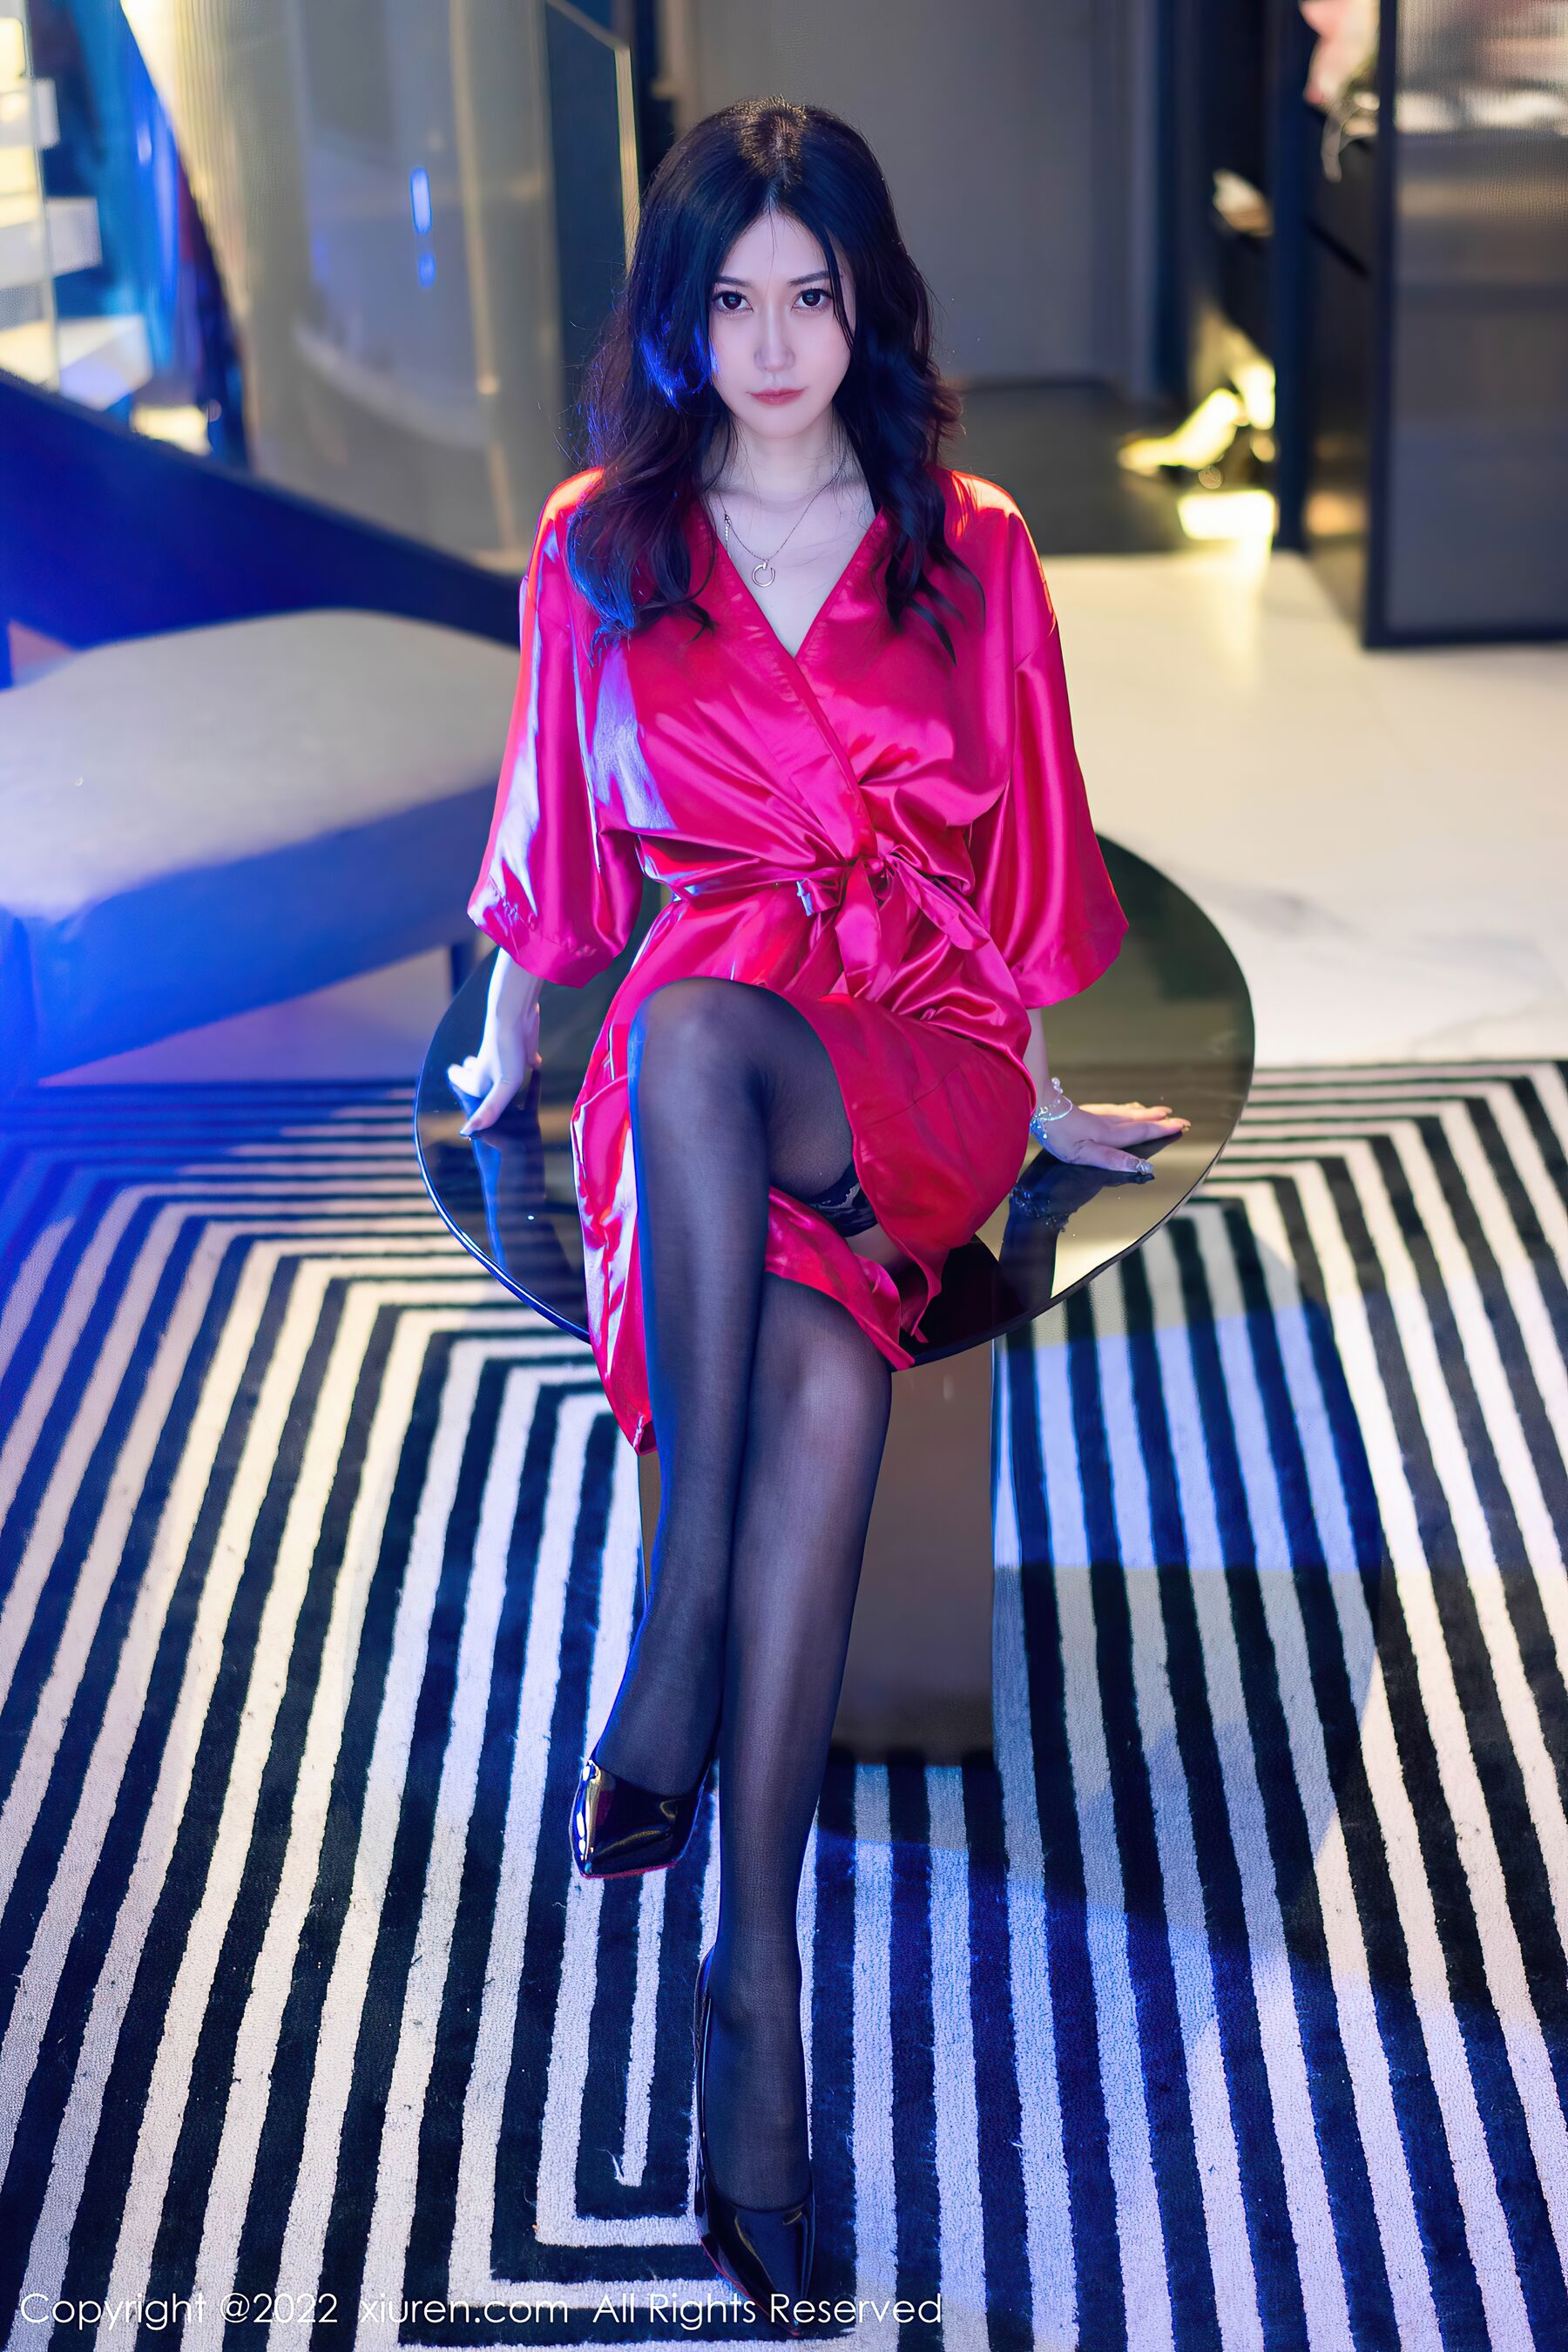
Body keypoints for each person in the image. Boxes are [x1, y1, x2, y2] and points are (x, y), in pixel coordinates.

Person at [448, 96, 1187, 2317]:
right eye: (733, 303)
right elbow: (555, 845)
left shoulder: (972, 543)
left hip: (914, 1054)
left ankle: (672, 1633)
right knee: (813, 1353)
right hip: (700, 1087)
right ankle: (753, 1980)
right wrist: (501, 1040)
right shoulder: (597, 545)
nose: (774, 347)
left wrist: (1045, 1101)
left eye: (814, 297)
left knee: (700, 1048)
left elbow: (1033, 848)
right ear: (676, 323)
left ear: (869, 310)